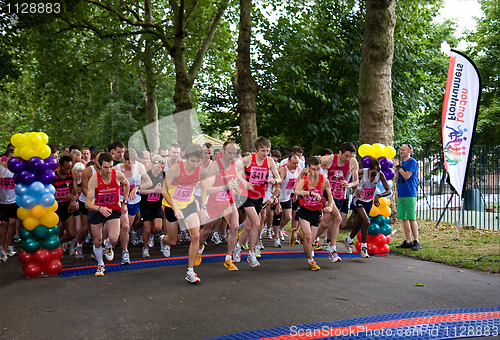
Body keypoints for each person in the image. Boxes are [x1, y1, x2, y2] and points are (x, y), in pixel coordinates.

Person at [159, 144, 207, 283]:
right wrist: (175, 208)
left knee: (196, 236)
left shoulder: (201, 171)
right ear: (186, 158)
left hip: (188, 205)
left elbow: (204, 189)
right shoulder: (176, 169)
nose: (195, 164)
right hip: (171, 206)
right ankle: (163, 240)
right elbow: (164, 191)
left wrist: (203, 207)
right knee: (173, 241)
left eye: (198, 161)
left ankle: (190, 271)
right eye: (193, 161)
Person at [234, 137, 281, 267]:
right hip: (245, 195)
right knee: (256, 221)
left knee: (249, 226)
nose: (265, 153)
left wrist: (275, 181)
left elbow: (278, 177)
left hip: (259, 196)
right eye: (262, 150)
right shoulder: (248, 160)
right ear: (255, 150)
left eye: (267, 150)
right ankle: (251, 253)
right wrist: (244, 182)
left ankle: (237, 247)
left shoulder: (270, 161)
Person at [197, 141, 241, 271]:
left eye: (234, 153)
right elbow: (208, 189)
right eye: (229, 153)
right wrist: (224, 187)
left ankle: (228, 258)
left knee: (235, 226)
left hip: (228, 201)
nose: (231, 156)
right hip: (213, 202)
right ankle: (199, 249)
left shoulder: (234, 164)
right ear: (223, 151)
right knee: (206, 230)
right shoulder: (215, 166)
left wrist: (236, 188)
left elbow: (233, 180)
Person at [85, 153, 130, 276]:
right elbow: (87, 204)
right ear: (99, 165)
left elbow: (127, 185)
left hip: (114, 208)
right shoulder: (94, 179)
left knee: (114, 239)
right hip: (97, 210)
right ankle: (100, 264)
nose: (109, 170)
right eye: (105, 167)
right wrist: (99, 208)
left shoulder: (118, 175)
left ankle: (108, 245)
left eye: (111, 167)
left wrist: (124, 202)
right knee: (97, 240)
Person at [317, 142, 359, 262]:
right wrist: (320, 169)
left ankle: (308, 240)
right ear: (340, 153)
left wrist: (349, 184)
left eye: (351, 156)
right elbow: (312, 165)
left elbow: (356, 181)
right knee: (338, 218)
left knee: (325, 223)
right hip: (328, 194)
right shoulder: (329, 159)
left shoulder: (353, 163)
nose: (348, 159)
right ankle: (333, 251)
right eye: (346, 156)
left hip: (341, 195)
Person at [291, 156, 334, 270]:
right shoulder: (303, 180)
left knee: (310, 239)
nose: (315, 172)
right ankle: (311, 261)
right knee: (309, 237)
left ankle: (296, 234)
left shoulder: (324, 180)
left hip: (316, 211)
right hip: (304, 210)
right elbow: (296, 191)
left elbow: (330, 197)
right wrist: (310, 193)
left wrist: (329, 207)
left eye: (318, 169)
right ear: (308, 168)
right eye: (313, 169)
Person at [343, 159, 391, 258]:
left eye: (377, 172)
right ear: (369, 169)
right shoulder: (362, 172)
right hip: (358, 200)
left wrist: (379, 195)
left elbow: (389, 190)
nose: (375, 175)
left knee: (360, 223)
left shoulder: (380, 175)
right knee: (367, 221)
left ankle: (348, 240)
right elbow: (352, 181)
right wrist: (356, 190)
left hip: (368, 201)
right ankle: (364, 248)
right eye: (373, 172)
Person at [115, 149, 152, 264]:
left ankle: (113, 243)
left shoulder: (139, 167)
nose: (130, 165)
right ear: (124, 160)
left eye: (132, 162)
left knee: (127, 228)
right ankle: (125, 253)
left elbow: (149, 182)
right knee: (125, 227)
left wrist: (137, 187)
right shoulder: (116, 169)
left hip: (134, 201)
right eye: (128, 162)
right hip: (121, 201)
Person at [75, 151, 103, 259]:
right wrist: (92, 198)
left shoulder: (107, 171)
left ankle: (96, 250)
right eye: (98, 159)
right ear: (94, 160)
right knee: (85, 226)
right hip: (86, 201)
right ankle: (78, 245)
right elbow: (83, 188)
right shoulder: (88, 171)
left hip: (101, 202)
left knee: (98, 228)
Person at [394, 143, 421, 251]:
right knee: (404, 218)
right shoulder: (400, 163)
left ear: (410, 151)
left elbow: (407, 176)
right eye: (400, 150)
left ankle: (416, 241)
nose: (401, 152)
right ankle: (408, 240)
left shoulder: (412, 162)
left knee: (411, 218)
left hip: (410, 193)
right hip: (401, 193)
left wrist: (398, 167)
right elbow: (396, 179)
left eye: (403, 150)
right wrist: (397, 169)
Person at [272, 154, 301, 248]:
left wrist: (295, 194)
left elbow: (298, 182)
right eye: (294, 163)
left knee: (288, 217)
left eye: (297, 163)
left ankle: (279, 229)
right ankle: (276, 238)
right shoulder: (283, 170)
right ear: (288, 162)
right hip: (279, 196)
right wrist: (278, 203)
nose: (296, 165)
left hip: (288, 197)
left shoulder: (298, 169)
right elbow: (278, 187)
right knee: (277, 215)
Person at [139, 155, 165, 258]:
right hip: (146, 206)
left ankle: (150, 236)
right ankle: (145, 248)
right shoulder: (146, 176)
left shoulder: (163, 175)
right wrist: (153, 190)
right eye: (158, 167)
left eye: (161, 167)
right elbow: (139, 191)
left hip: (157, 205)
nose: (160, 169)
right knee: (147, 228)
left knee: (158, 227)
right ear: (153, 165)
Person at [54, 156, 78, 252]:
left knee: (71, 234)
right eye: (66, 168)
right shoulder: (53, 176)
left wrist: (74, 201)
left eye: (70, 168)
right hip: (54, 207)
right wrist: (63, 197)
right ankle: (54, 250)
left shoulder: (72, 174)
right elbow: (47, 197)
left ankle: (56, 244)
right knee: (57, 232)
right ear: (60, 165)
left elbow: (75, 193)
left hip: (67, 207)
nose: (68, 170)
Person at [0, 149, 18, 261]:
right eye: (11, 158)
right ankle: (2, 246)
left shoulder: (17, 170)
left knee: (12, 223)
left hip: (13, 201)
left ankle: (6, 248)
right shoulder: (1, 168)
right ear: (6, 157)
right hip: (2, 202)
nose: (13, 160)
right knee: (2, 225)